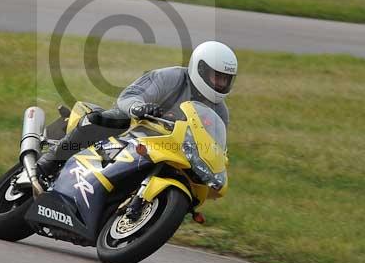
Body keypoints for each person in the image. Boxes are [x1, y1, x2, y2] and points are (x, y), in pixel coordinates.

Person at [36, 41, 237, 178]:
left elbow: (214, 145)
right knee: (101, 119)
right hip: (133, 128)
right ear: (201, 69)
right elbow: (128, 96)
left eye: (225, 80)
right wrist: (138, 108)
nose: (220, 84)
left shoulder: (220, 112)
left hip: (168, 149)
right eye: (216, 77)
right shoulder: (171, 78)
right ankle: (48, 163)